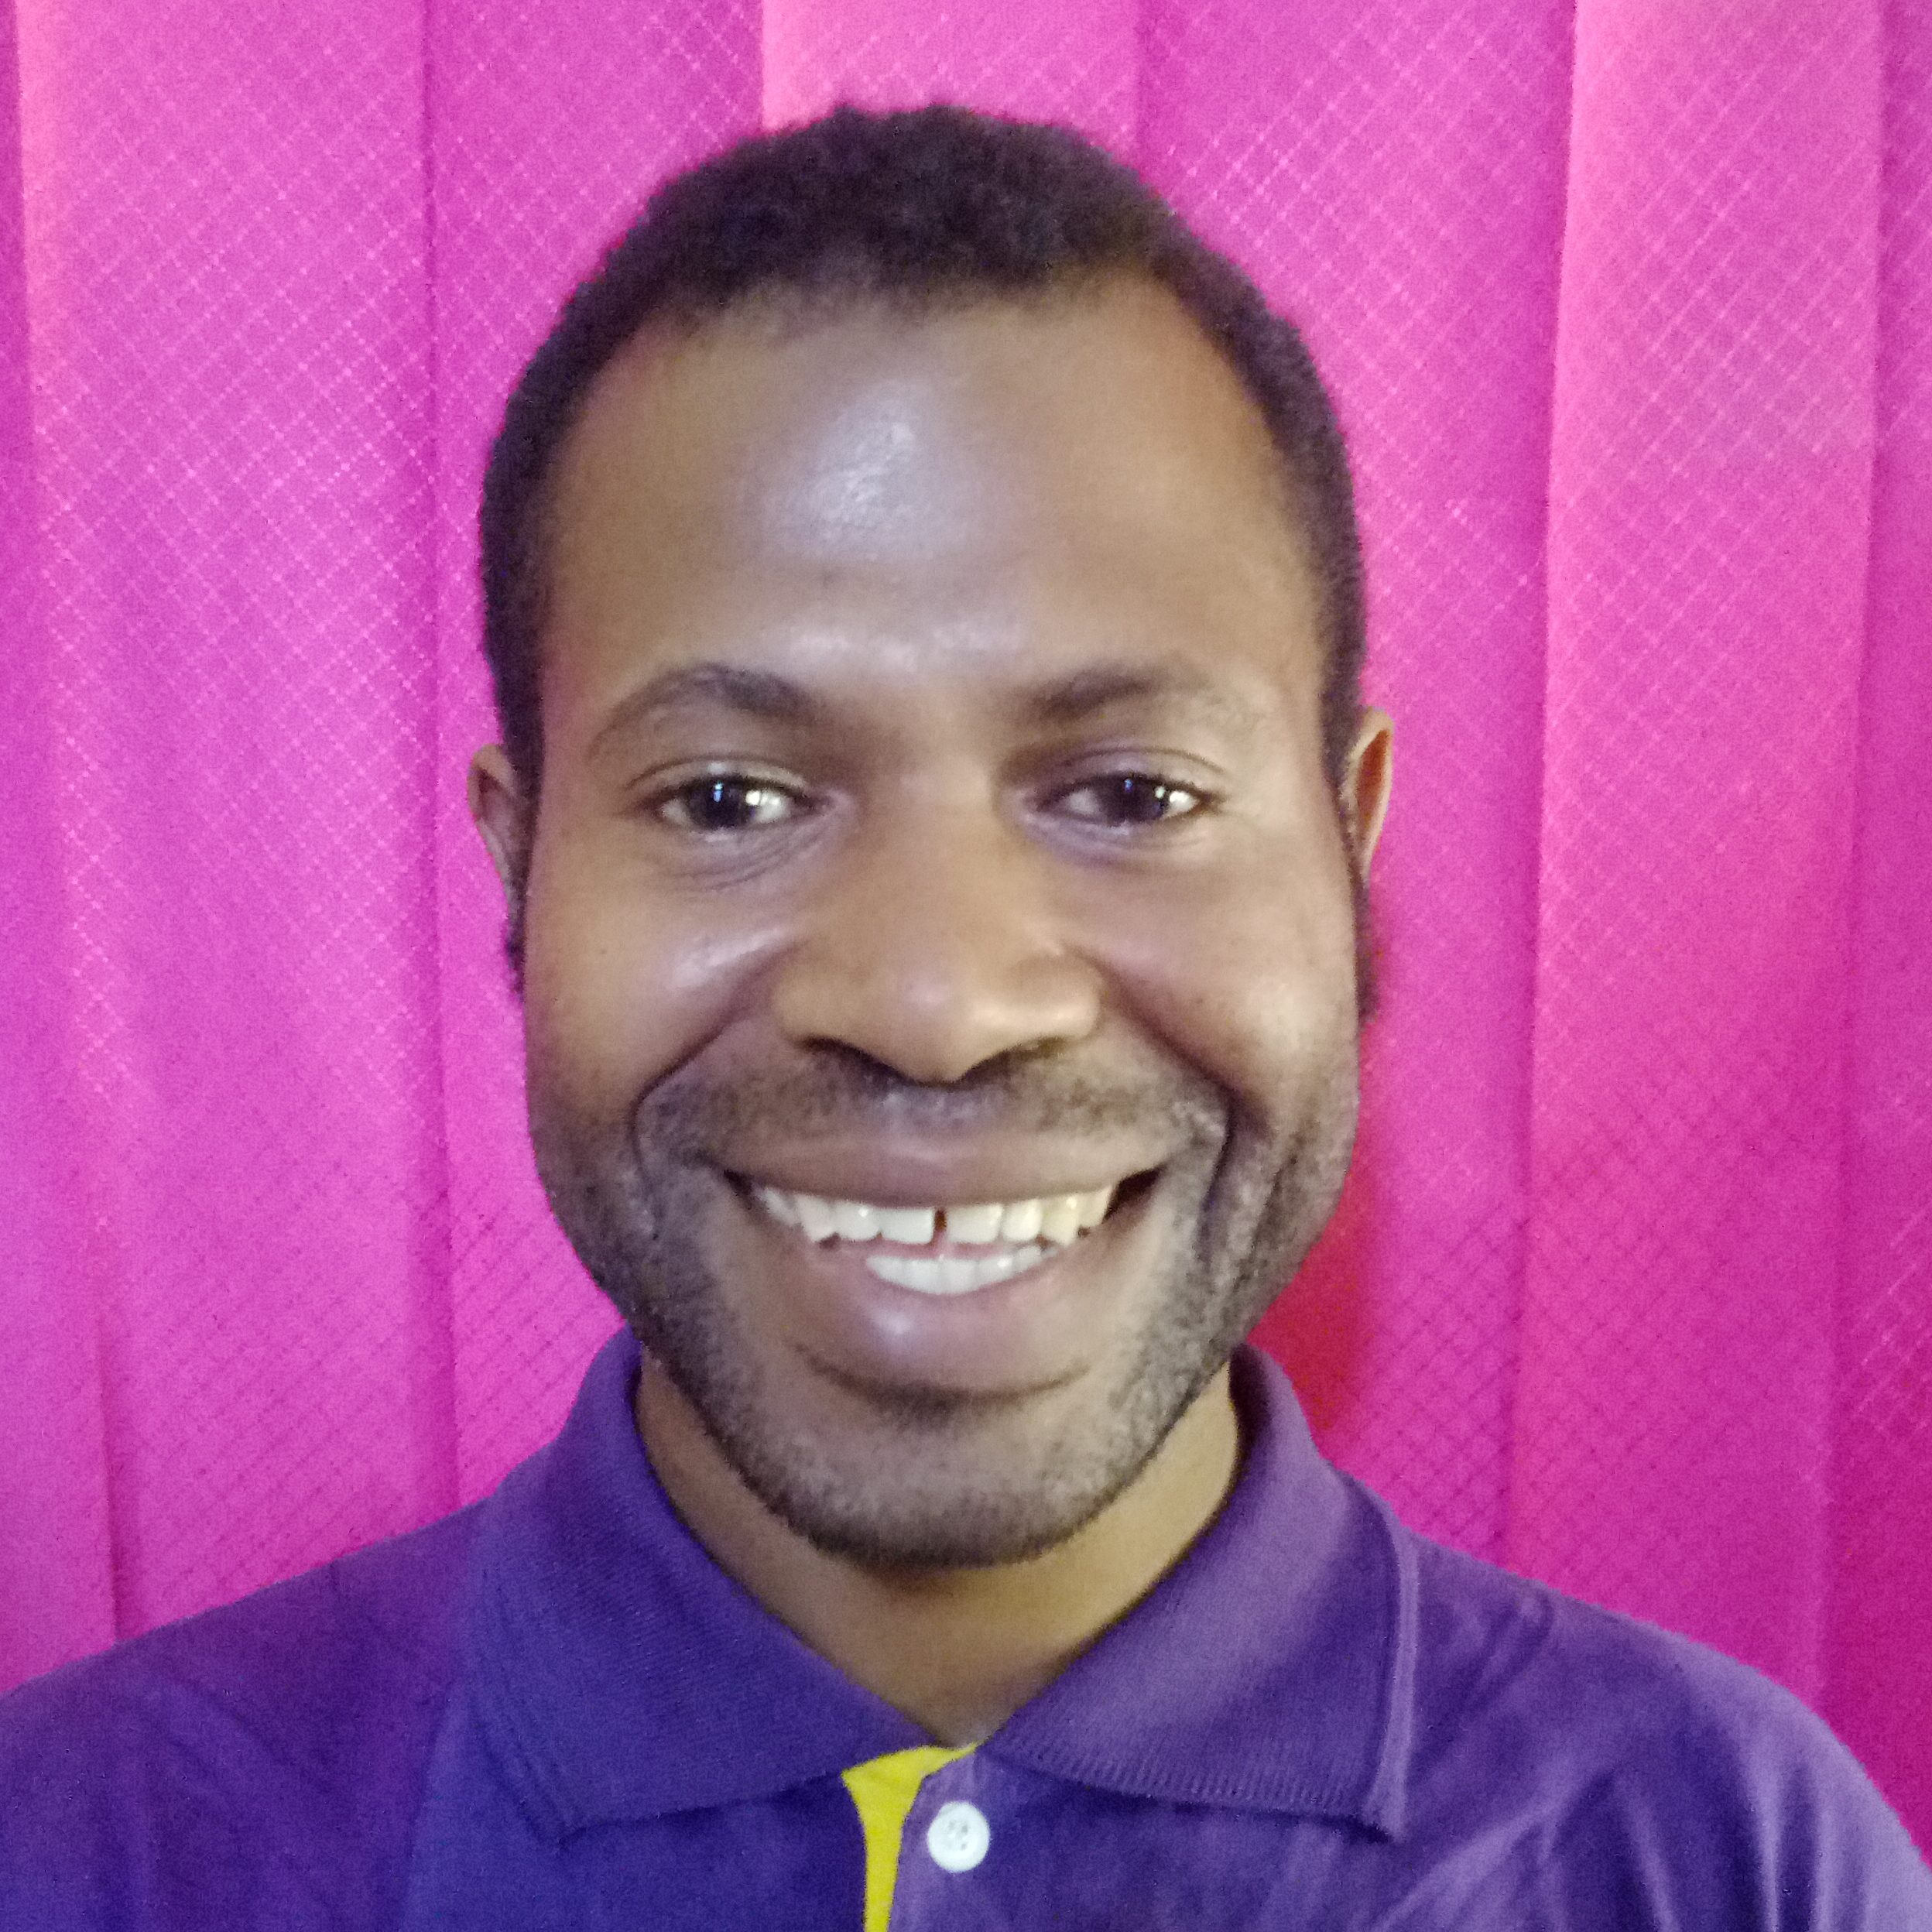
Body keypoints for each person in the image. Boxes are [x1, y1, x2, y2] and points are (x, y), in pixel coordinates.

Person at [2, 103, 1926, 1931]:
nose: (937, 1007)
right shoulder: (93, 1848)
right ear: (522, 868)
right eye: (727, 801)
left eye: (1133, 794)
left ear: (1350, 849)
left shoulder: (1727, 1858)